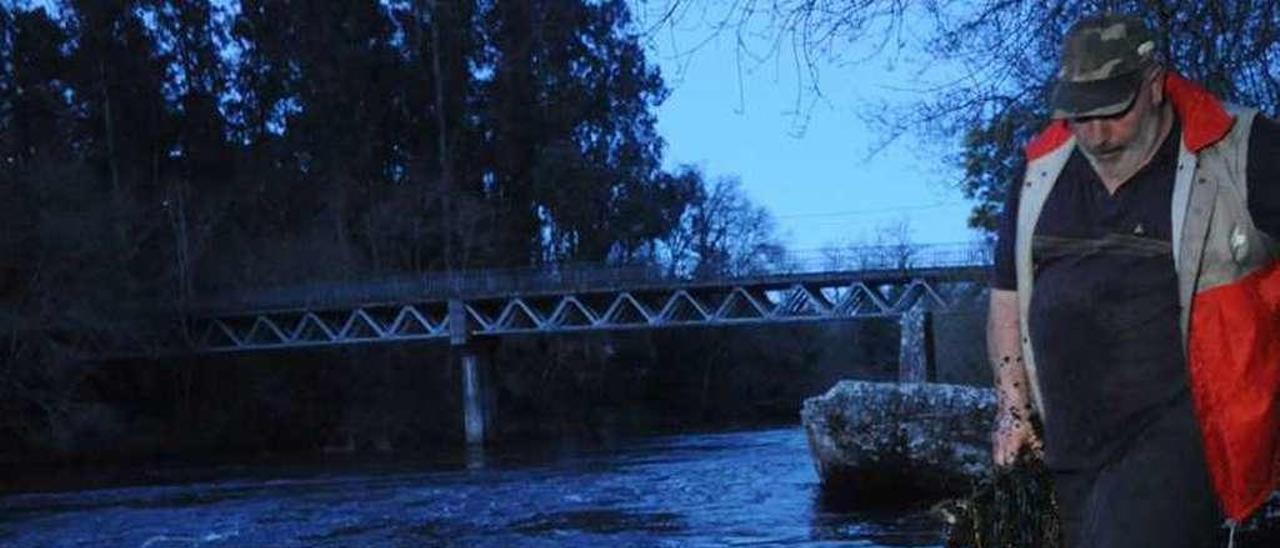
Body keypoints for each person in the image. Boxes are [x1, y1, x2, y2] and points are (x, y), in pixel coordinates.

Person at [988, 13, 1280, 547]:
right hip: (1069, 446)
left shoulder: (1242, 150)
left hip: (1179, 435)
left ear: (1153, 83)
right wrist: (1012, 408)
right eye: (1080, 116)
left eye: (1112, 112)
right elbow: (1006, 297)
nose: (1095, 135)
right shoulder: (1037, 174)